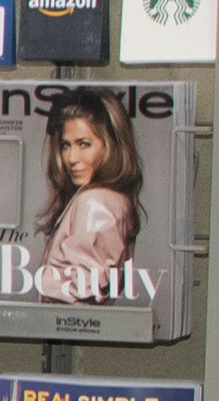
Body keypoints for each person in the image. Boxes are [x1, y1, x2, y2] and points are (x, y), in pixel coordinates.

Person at [32, 88, 143, 300]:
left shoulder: (95, 203)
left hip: (66, 321)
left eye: (84, 144)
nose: (71, 158)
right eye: (66, 145)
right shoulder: (114, 200)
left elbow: (79, 292)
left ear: (111, 145)